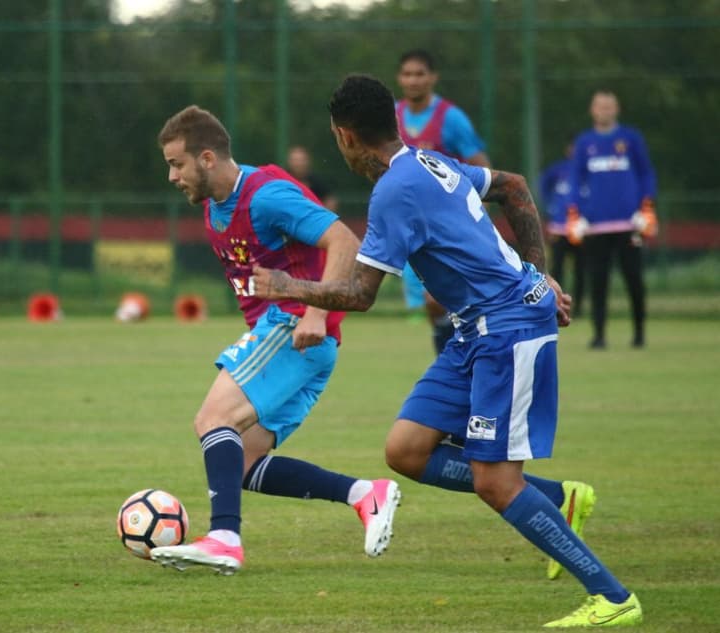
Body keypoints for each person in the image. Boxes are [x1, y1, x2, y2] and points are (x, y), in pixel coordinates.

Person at [251, 75, 642, 628]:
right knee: (406, 449)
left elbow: (360, 294)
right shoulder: (429, 162)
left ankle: (612, 596)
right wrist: (537, 275)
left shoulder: (393, 189)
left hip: (505, 330)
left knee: (495, 482)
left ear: (345, 136)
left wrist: (287, 286)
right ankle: (559, 501)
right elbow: (514, 186)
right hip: (475, 330)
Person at [149, 105, 401, 575]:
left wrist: (317, 311)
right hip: (302, 345)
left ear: (206, 158)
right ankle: (364, 494)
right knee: (240, 463)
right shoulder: (213, 206)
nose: (171, 176)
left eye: (176, 164)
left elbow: (344, 240)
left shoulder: (265, 195)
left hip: (294, 329)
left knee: (212, 419)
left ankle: (224, 538)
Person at [395, 48, 491, 354]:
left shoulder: (451, 118)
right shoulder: (391, 117)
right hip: (409, 227)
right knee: (434, 307)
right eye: (407, 74)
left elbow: (482, 167)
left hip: (448, 225)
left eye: (420, 73)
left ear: (433, 78)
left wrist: (479, 223)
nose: (413, 80)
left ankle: (457, 364)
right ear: (399, 78)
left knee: (440, 299)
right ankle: (455, 362)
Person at [569, 90, 657, 349]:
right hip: (596, 226)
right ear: (592, 110)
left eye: (609, 106)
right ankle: (599, 335)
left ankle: (639, 333)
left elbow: (646, 174)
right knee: (598, 282)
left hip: (629, 223)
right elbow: (576, 178)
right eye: (600, 106)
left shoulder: (630, 138)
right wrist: (576, 214)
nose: (605, 111)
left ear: (616, 109)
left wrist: (646, 207)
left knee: (634, 279)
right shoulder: (585, 142)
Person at [540, 139, 586, 318]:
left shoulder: (586, 170)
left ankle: (579, 307)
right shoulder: (559, 169)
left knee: (581, 269)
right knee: (557, 269)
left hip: (581, 229)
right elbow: (543, 183)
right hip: (559, 227)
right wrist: (549, 206)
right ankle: (556, 304)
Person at [285, 144, 339, 212]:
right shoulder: (283, 180)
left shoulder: (316, 181)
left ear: (307, 161)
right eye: (296, 160)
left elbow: (330, 200)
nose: (299, 163)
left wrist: (323, 217)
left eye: (302, 160)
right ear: (289, 161)